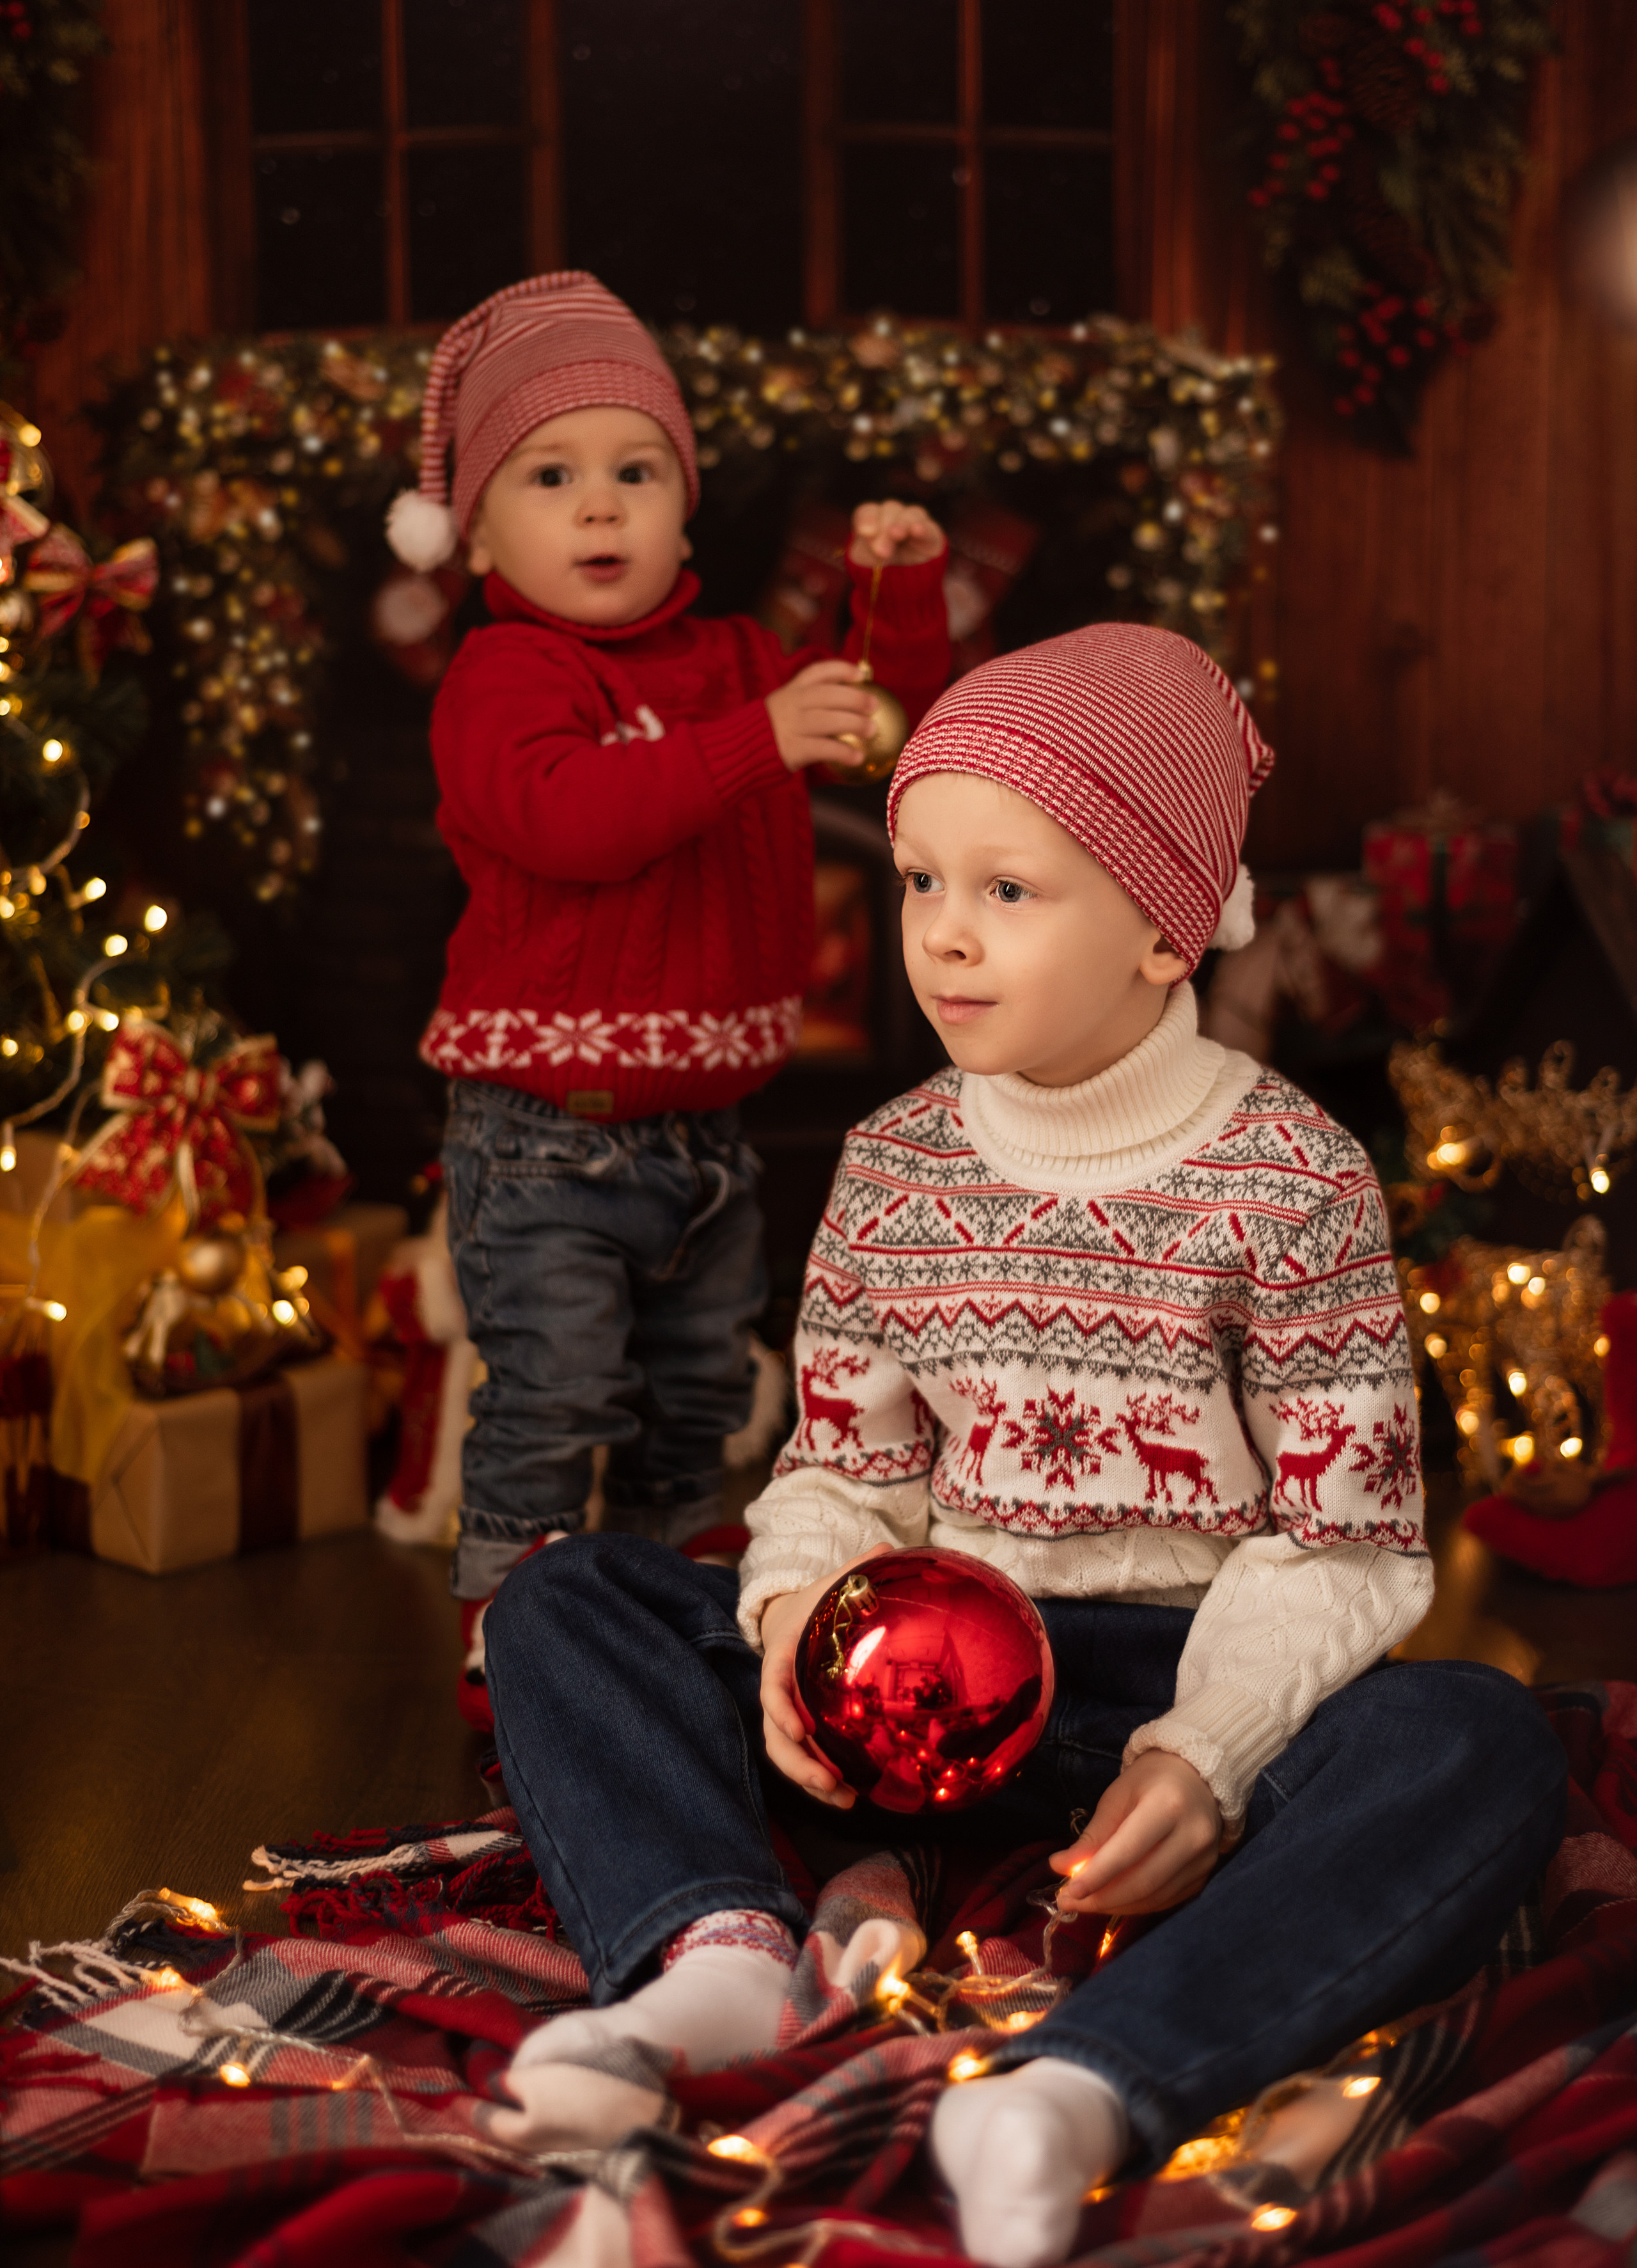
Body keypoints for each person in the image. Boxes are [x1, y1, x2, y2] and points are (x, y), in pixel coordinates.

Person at [480, 624, 1567, 2267]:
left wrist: (1206, 1754)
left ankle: (1078, 2090)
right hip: (918, 1677)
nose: (941, 938)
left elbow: (1344, 1537)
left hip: (1177, 1680)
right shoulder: (895, 1162)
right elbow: (843, 1465)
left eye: (1007, 891)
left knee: (1473, 1739)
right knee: (567, 1601)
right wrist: (797, 1623)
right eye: (920, 882)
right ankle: (710, 1958)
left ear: (1160, 927)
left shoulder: (1291, 1176)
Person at [391, 271, 949, 1719]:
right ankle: (507, 1632)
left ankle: (651, 1604)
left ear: (682, 511)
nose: (599, 508)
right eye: (552, 475)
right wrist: (745, 742)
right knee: (557, 1391)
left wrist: (901, 601)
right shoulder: (502, 677)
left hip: (704, 1138)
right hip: (540, 1139)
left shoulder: (739, 661)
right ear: (477, 529)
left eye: (635, 473)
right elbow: (570, 816)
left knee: (698, 1393)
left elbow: (883, 731)